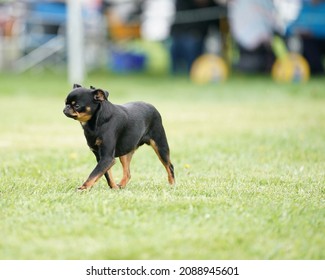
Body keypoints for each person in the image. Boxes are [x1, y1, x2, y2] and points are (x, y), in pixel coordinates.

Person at [170, 0, 220, 74]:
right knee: (177, 44)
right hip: (180, 36)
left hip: (198, 38)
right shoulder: (183, 2)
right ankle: (175, 73)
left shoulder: (213, 5)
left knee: (192, 43)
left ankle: (192, 72)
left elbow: (216, 25)